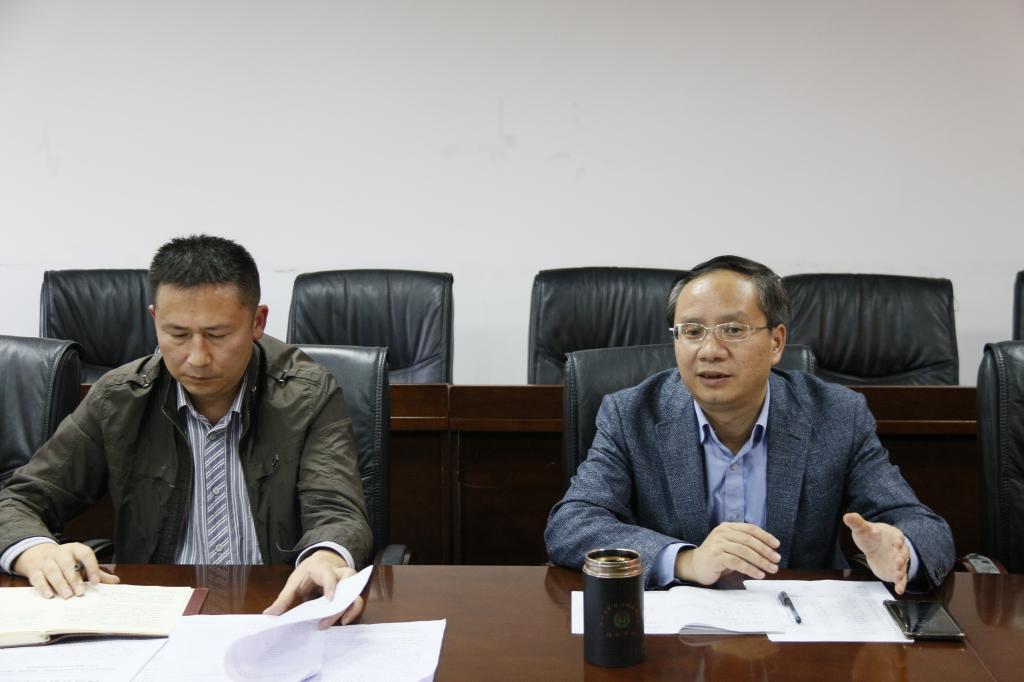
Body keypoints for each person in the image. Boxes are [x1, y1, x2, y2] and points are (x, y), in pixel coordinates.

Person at [0, 235, 372, 626]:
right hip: (154, 618)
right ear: (154, 320)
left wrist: (326, 556)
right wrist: (36, 551)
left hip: (274, 611)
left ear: (257, 322)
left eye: (217, 335)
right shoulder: (119, 399)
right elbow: (19, 500)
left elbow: (337, 511)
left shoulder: (307, 395)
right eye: (177, 334)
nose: (197, 357)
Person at [545, 255, 955, 592]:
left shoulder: (836, 415)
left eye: (732, 330)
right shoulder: (631, 414)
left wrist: (900, 552)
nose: (710, 350)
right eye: (692, 331)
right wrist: (686, 560)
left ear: (776, 342)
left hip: (800, 637)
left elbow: (925, 527)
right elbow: (572, 524)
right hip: (679, 640)